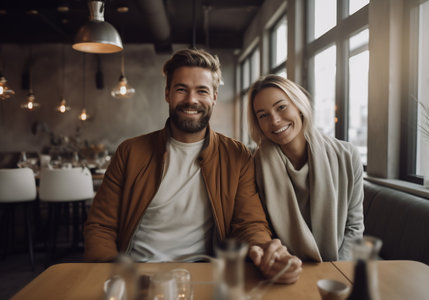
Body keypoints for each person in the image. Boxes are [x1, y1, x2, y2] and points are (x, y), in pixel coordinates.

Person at [84, 49, 302, 283]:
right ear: (167, 93)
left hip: (201, 274)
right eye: (181, 89)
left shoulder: (237, 155)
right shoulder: (130, 152)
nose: (191, 100)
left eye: (202, 91)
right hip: (137, 273)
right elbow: (100, 226)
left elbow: (249, 223)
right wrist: (110, 273)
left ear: (214, 97)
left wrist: (264, 249)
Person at [247, 74, 364, 261]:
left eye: (281, 107)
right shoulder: (253, 165)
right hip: (282, 266)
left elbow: (354, 227)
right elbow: (259, 227)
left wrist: (334, 271)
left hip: (336, 266)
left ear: (299, 105)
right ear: (258, 124)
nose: (275, 120)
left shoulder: (347, 156)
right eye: (263, 115)